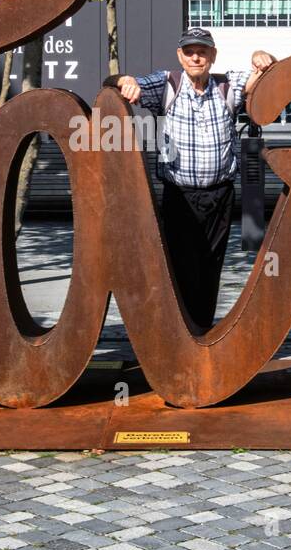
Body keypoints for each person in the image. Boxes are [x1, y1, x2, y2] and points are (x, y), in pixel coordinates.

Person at [105, 27, 276, 329]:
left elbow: (262, 78)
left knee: (210, 266)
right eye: (189, 51)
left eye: (203, 51)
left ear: (213, 55)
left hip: (220, 195)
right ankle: (179, 331)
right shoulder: (166, 84)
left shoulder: (228, 85)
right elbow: (112, 86)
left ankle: (202, 330)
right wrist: (124, 81)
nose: (196, 57)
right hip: (179, 197)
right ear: (180, 56)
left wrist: (263, 59)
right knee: (180, 267)